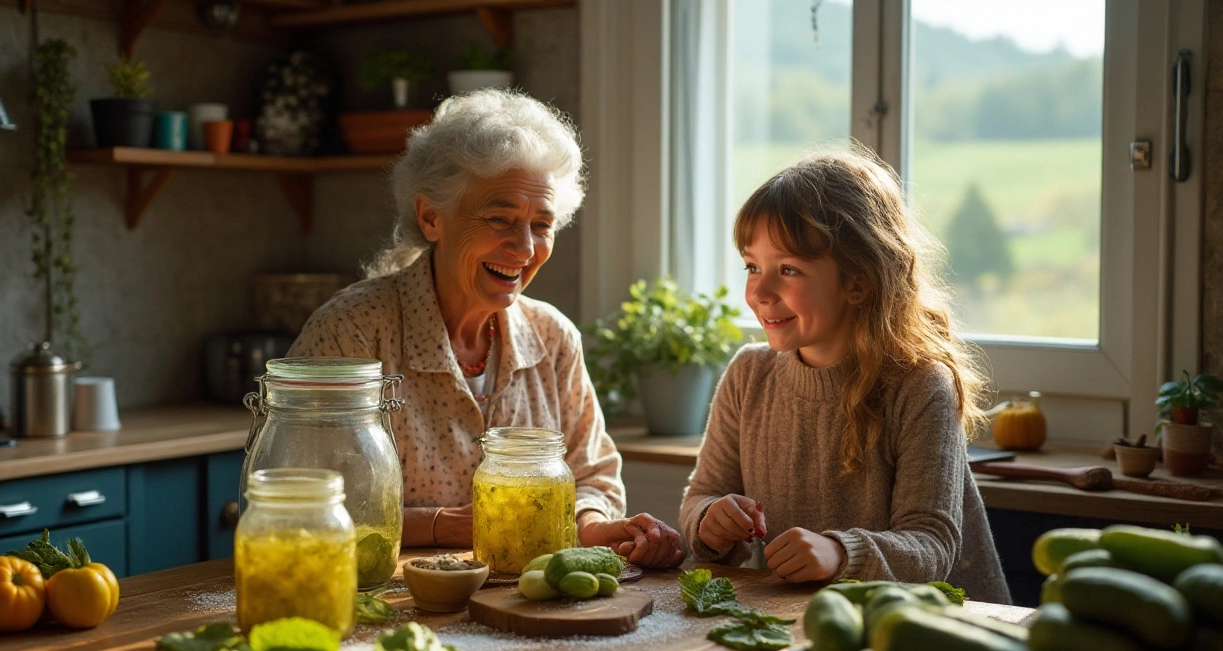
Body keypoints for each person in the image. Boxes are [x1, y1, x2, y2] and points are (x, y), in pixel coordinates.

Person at [290, 88, 683, 569]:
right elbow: (297, 503)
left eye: (542, 225)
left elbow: (593, 475)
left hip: (519, 605)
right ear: (431, 217)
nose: (523, 248)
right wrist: (438, 526)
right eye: (500, 219)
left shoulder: (553, 337)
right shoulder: (351, 334)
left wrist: (593, 524)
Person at [678, 148, 1011, 602]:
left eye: (788, 270)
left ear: (858, 281)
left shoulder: (920, 386)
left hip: (937, 631)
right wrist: (711, 520)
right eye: (752, 267)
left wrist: (839, 553)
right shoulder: (747, 375)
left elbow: (932, 544)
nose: (758, 291)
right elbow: (701, 496)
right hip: (805, 621)